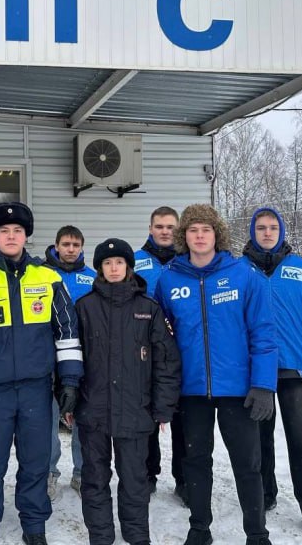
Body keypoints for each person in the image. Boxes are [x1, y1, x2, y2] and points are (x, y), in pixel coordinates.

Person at [0, 202, 83, 545]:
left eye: (18, 231)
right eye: (4, 231)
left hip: (37, 389)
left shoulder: (49, 278)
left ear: (26, 236)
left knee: (36, 463)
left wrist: (69, 381)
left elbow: (67, 334)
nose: (11, 236)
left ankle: (34, 526)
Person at [155, 204, 278, 545]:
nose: (199, 236)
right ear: (184, 236)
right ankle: (199, 529)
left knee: (247, 464)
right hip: (191, 390)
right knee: (195, 461)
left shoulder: (243, 275)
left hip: (238, 390)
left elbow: (263, 332)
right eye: (192, 230)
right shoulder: (169, 279)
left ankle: (257, 533)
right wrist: (165, 387)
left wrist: (263, 384)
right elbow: (160, 338)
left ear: (216, 234)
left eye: (205, 230)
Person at [75, 238, 181, 545]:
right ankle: (101, 535)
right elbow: (69, 359)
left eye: (119, 262)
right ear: (99, 269)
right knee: (94, 478)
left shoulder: (148, 309)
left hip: (136, 410)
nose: (114, 268)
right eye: (107, 263)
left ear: (129, 267)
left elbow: (166, 361)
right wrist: (69, 400)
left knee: (135, 479)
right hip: (93, 409)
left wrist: (163, 407)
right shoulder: (84, 308)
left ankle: (136, 535)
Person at [242, 206, 302, 539]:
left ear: (281, 232)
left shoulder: (300, 269)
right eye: (261, 227)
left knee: (301, 442)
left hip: (294, 368)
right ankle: (266, 494)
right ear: (252, 231)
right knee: (259, 441)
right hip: (255, 371)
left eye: (273, 227)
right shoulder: (240, 270)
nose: (267, 232)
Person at [133, 206, 187, 503]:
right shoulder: (136, 261)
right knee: (147, 414)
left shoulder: (188, 260)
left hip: (184, 349)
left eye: (170, 227)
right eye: (159, 226)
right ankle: (147, 474)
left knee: (183, 417)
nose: (165, 231)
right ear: (150, 228)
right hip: (146, 349)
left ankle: (184, 478)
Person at [43, 225, 96, 499]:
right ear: (56, 246)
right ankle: (49, 473)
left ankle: (81, 473)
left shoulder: (93, 278)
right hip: (48, 356)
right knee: (48, 418)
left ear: (82, 247)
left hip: (83, 356)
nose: (71, 249)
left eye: (76, 245)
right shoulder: (43, 274)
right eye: (66, 244)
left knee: (82, 418)